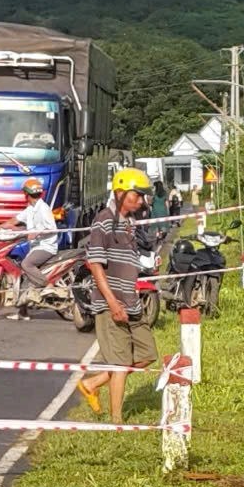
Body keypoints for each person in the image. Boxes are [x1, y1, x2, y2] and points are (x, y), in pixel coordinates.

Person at [76, 166, 163, 421]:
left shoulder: (129, 224)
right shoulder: (104, 220)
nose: (140, 199)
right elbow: (95, 265)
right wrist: (112, 303)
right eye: (136, 194)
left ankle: (92, 384)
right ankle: (117, 423)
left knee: (147, 354)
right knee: (121, 364)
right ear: (121, 192)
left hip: (131, 302)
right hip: (111, 302)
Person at [13, 177, 64, 289]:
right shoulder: (31, 208)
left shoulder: (43, 208)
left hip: (46, 247)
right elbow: (15, 220)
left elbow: (52, 228)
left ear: (26, 194)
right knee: (22, 269)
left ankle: (48, 285)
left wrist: (37, 233)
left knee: (26, 264)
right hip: (35, 247)